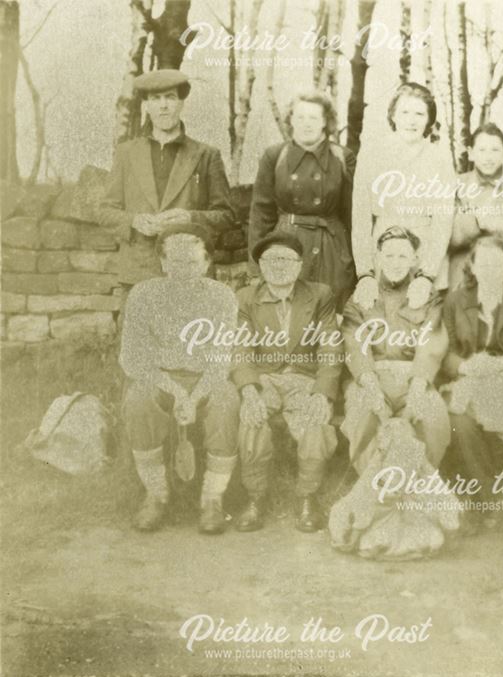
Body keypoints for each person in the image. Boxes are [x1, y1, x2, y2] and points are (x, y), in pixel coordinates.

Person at [118, 224, 240, 534]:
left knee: (226, 400)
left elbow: (220, 357)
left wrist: (195, 396)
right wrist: (175, 391)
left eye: (192, 262)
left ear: (207, 264)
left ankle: (212, 500)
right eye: (175, 261)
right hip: (160, 377)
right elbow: (134, 357)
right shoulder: (143, 295)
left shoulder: (222, 297)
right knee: (138, 399)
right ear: (162, 262)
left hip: (206, 378)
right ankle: (156, 494)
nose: (183, 270)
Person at [231, 233, 342, 533]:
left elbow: (331, 348)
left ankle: (308, 496)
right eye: (270, 260)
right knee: (251, 418)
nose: (279, 266)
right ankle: (256, 497)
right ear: (261, 267)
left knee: (315, 421)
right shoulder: (245, 298)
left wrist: (323, 394)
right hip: (264, 377)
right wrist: (249, 390)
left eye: (286, 259)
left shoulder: (319, 295)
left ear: (300, 265)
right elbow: (240, 350)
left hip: (304, 378)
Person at [441, 235, 503, 531]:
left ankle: (490, 501)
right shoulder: (455, 300)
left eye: (497, 262)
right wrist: (465, 365)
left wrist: (502, 362)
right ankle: (491, 499)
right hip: (469, 379)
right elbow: (444, 350)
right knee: (460, 419)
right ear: (472, 265)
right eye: (482, 262)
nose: (489, 269)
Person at [99, 69, 234, 285]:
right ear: (147, 105)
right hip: (138, 273)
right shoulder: (126, 153)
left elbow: (226, 215)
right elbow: (105, 211)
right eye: (155, 98)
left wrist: (190, 218)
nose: (163, 105)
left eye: (170, 97)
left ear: (181, 103)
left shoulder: (206, 155)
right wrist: (134, 221)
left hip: (191, 272)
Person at [340, 227, 451, 477]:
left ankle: (418, 485)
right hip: (371, 378)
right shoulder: (361, 296)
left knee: (433, 418)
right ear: (378, 258)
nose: (395, 263)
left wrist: (417, 390)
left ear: (415, 260)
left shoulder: (428, 297)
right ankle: (373, 487)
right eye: (389, 256)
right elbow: (354, 345)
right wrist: (372, 389)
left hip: (414, 378)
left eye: (403, 257)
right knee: (362, 414)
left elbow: (432, 343)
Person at [248, 90, 356, 311]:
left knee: (331, 315)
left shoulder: (342, 157)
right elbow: (261, 215)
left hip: (332, 251)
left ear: (325, 121)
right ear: (291, 120)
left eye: (314, 118)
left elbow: (352, 217)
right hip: (288, 245)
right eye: (300, 117)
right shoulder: (275, 156)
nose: (307, 124)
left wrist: (357, 267)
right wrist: (255, 268)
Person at [352, 83, 455, 311]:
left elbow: (443, 222)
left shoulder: (440, 158)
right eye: (405, 112)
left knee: (423, 329)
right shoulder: (372, 154)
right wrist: (365, 272)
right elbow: (360, 218)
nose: (412, 120)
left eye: (419, 114)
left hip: (426, 255)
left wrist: (427, 274)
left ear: (429, 120)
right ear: (393, 116)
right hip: (383, 254)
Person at [448, 124, 503, 290]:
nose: (488, 157)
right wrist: (486, 223)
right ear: (471, 153)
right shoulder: (456, 186)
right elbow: (451, 237)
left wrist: (471, 220)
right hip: (463, 279)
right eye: (482, 150)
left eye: (495, 150)